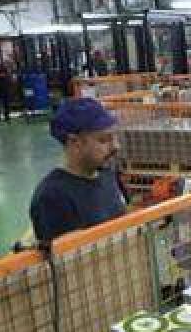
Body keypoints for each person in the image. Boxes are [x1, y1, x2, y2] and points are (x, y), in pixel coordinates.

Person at [29, 98, 126, 243]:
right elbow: (69, 260)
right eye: (104, 140)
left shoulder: (108, 174)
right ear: (75, 143)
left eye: (115, 137)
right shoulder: (53, 197)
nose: (116, 146)